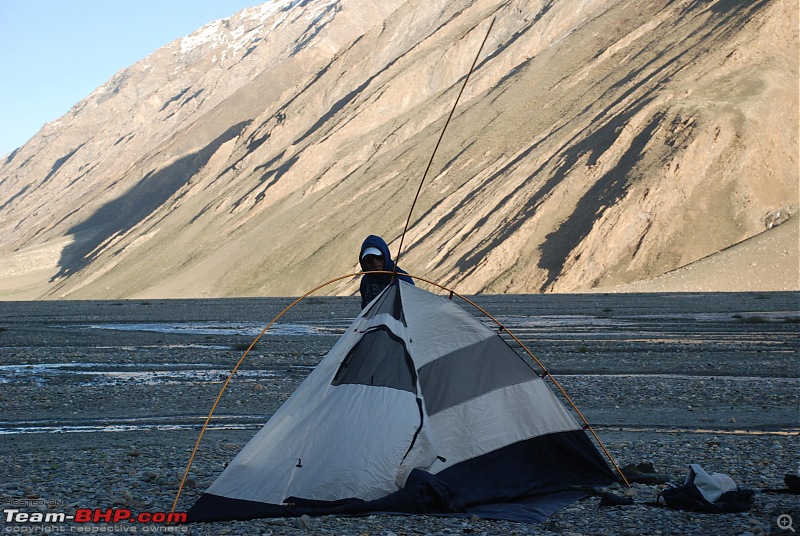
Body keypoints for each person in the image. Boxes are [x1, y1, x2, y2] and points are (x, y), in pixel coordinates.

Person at [359, 235, 414, 308]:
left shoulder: (402, 279)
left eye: (378, 257)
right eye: (369, 259)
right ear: (364, 263)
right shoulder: (365, 281)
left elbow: (412, 305)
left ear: (385, 256)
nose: (375, 262)